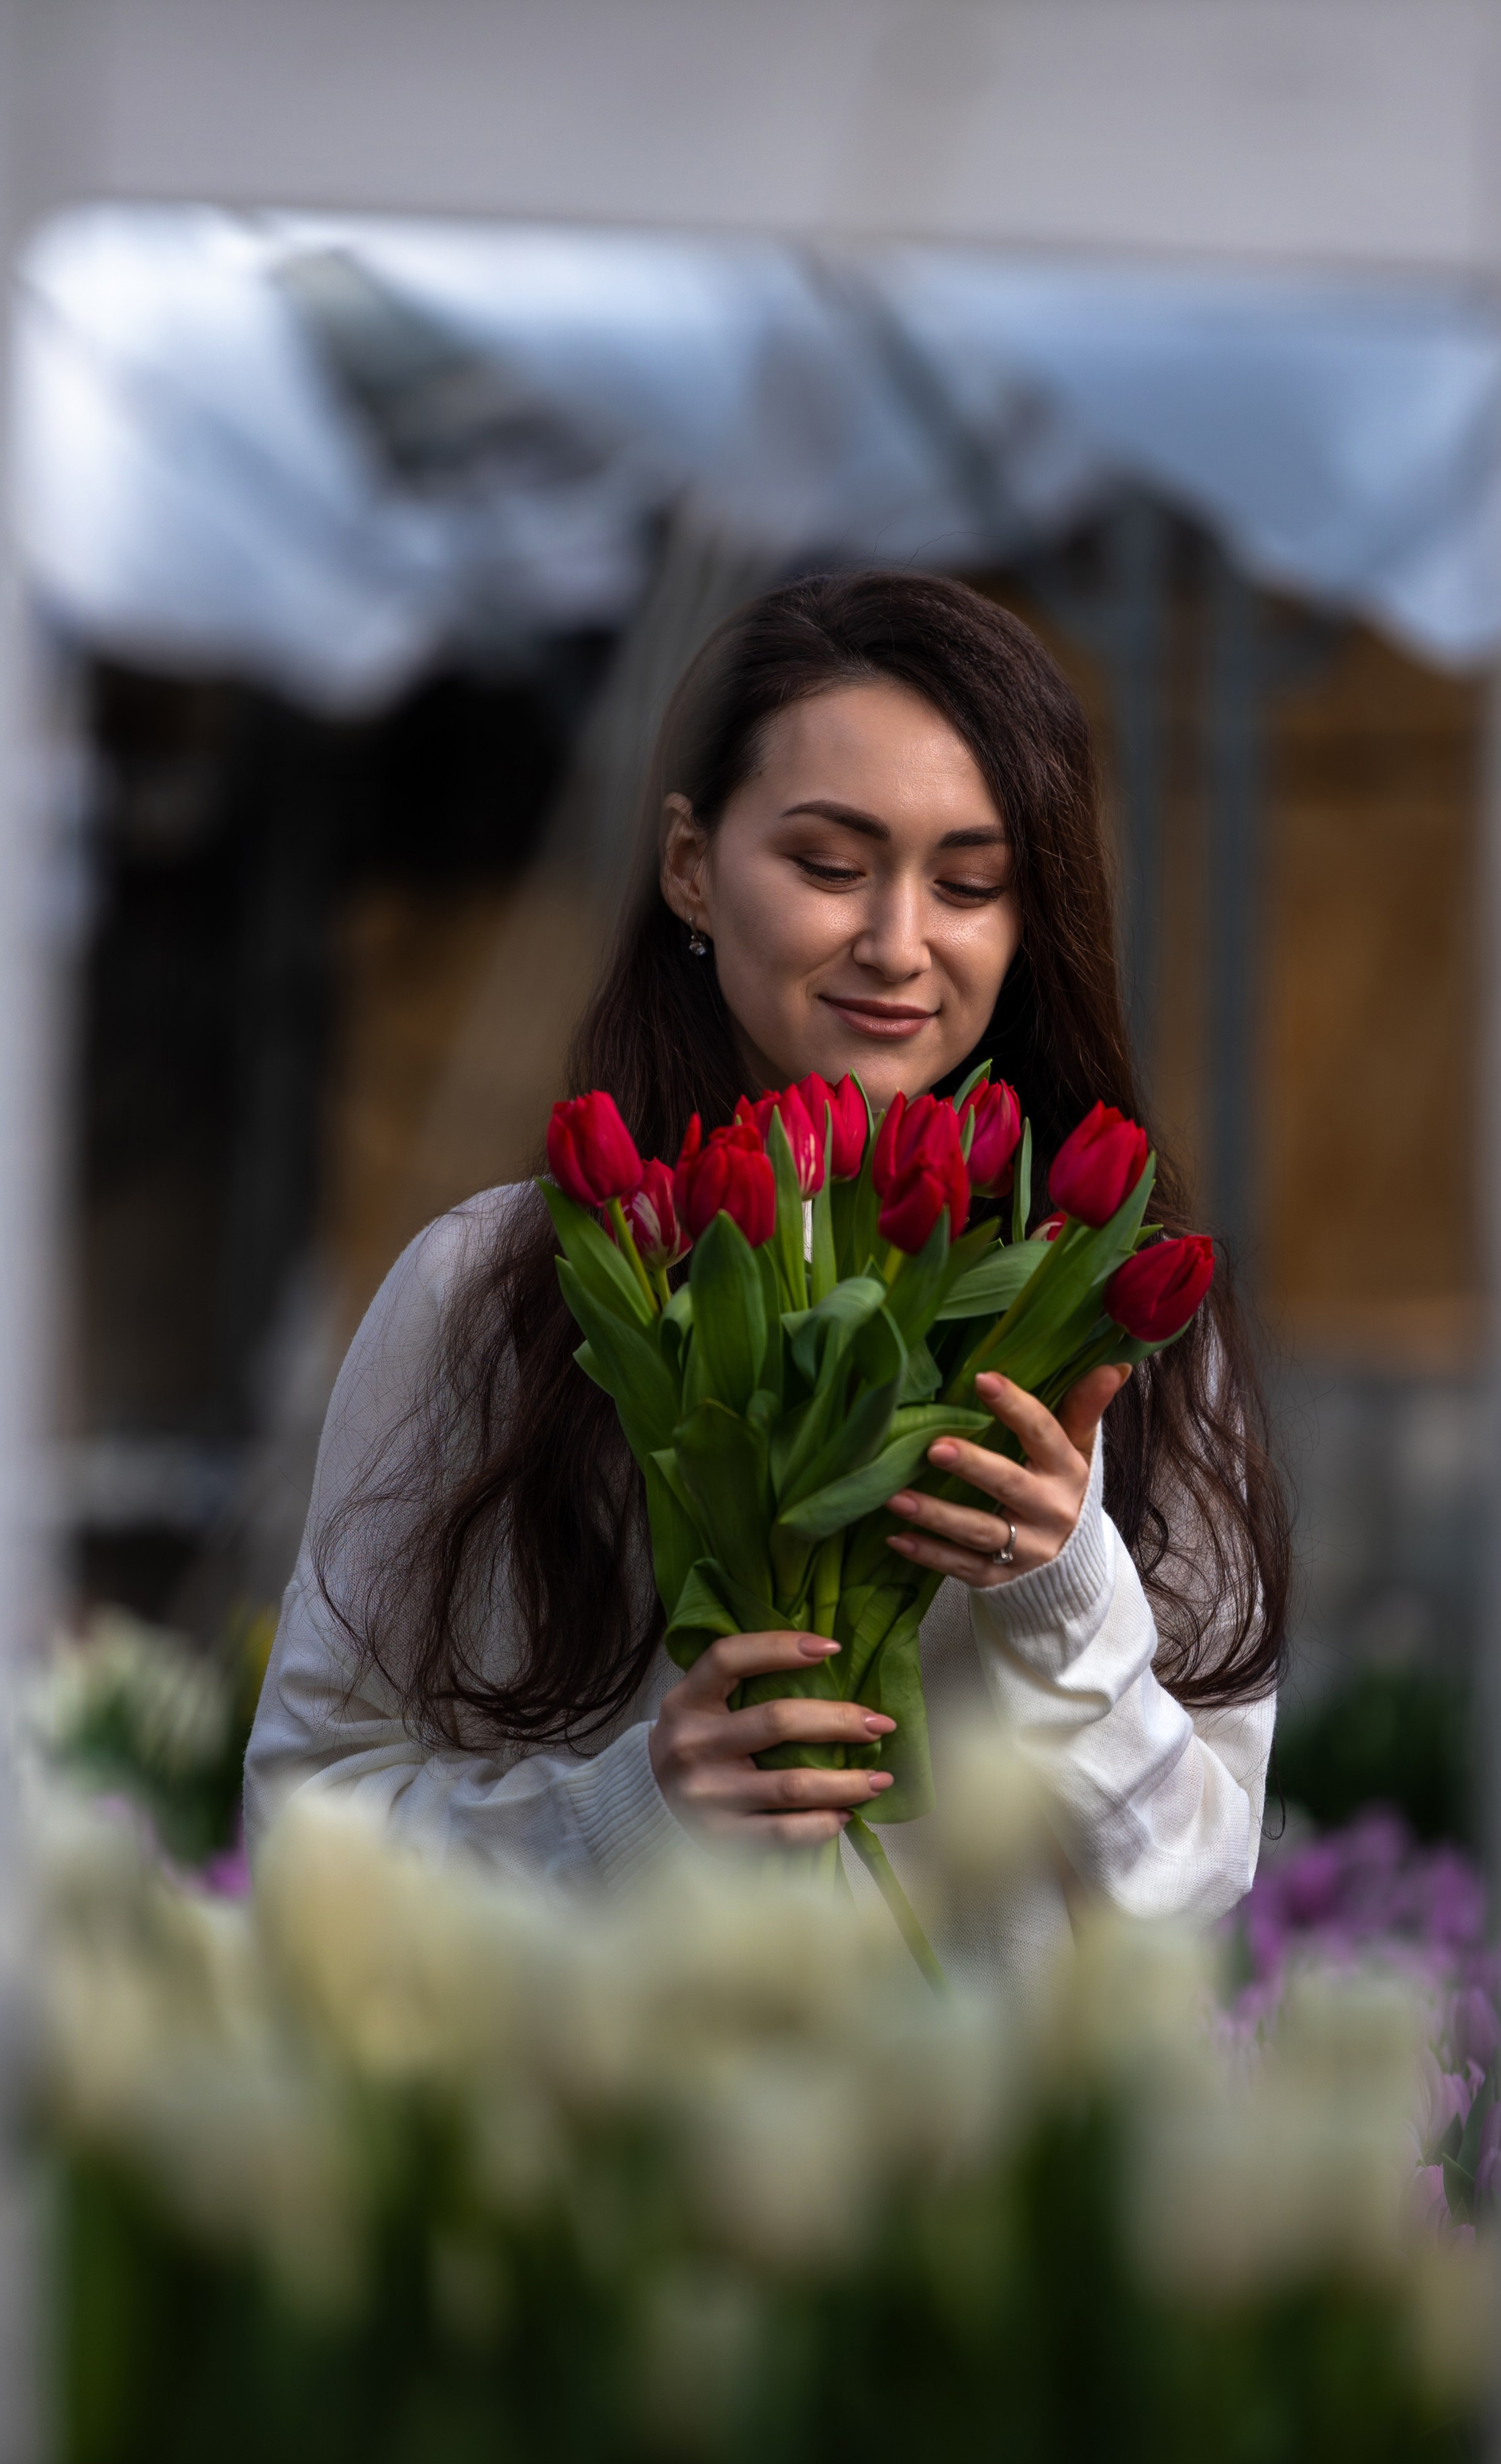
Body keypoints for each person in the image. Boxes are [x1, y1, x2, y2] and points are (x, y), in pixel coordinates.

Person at [245, 571, 1290, 1981]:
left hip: (989, 2181)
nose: (898, 942)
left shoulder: (1124, 1313)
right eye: (829, 865)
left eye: (970, 883)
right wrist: (629, 1818)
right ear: (690, 865)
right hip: (615, 2167)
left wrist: (1058, 1583)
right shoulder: (486, 1291)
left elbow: (1186, 1887)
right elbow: (299, 1834)